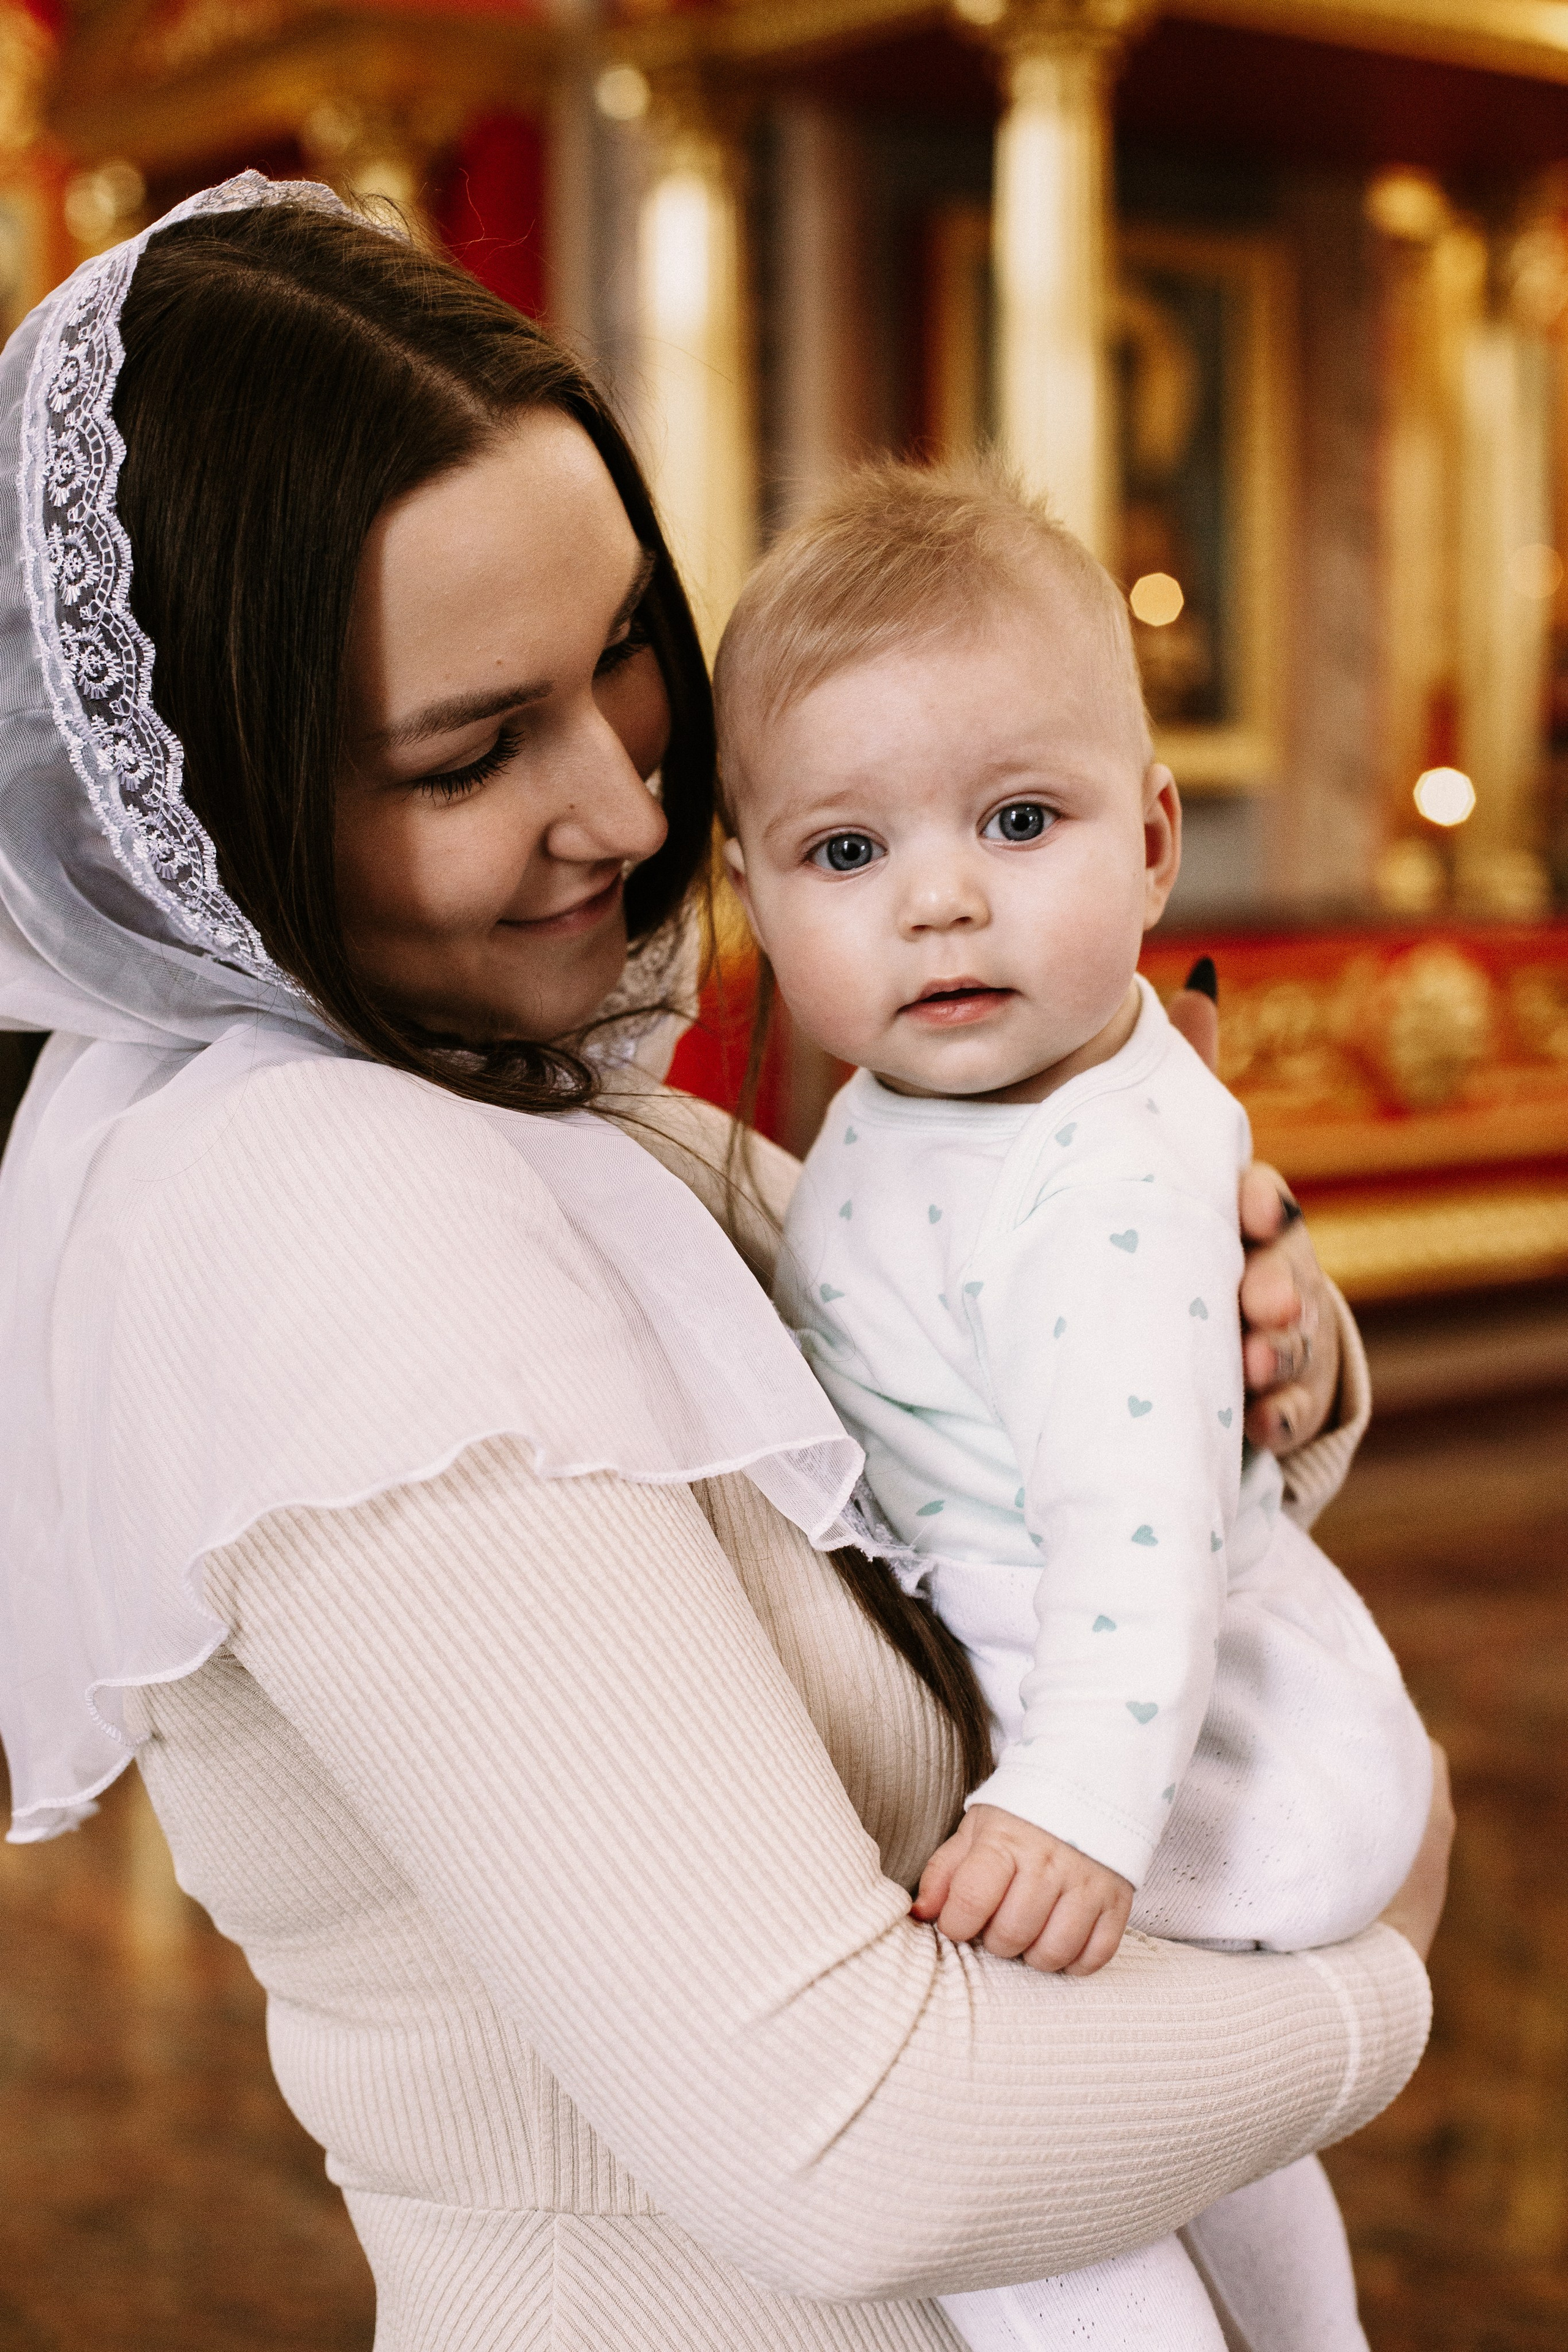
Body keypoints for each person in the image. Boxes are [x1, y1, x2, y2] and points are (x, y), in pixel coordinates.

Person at [0, 177, 1447, 2352]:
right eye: (474, 751)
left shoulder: (566, 1113)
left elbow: (975, 1484)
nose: (623, 803)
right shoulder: (311, 1206)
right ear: (217, 810)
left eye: (624, 666)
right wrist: (1383, 1977)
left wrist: (1266, 1354)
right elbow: (847, 2140)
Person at [714, 459, 1433, 2350]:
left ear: (1155, 839)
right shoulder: (976, 1098)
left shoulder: (1088, 1182)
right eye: (845, 854)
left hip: (1194, 1748)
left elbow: (1134, 1514)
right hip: (1189, 1704)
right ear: (749, 893)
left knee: (1007, 2167)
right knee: (1217, 2151)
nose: (939, 900)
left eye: (1019, 819)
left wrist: (1078, 1813)